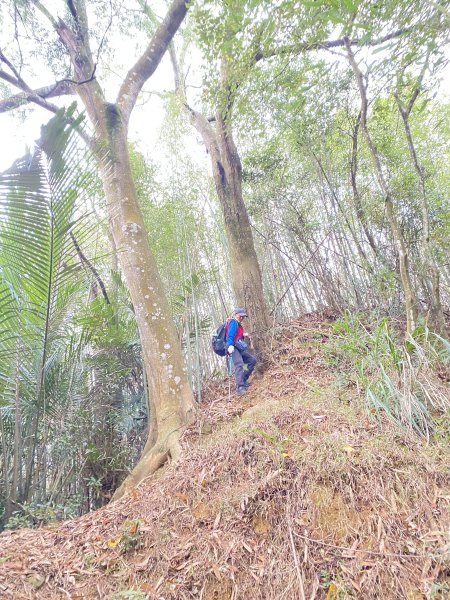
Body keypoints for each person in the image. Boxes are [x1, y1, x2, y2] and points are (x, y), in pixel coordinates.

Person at [225, 307, 257, 396]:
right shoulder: (233, 322)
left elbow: (237, 335)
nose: (242, 318)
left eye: (243, 316)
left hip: (238, 347)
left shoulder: (238, 324)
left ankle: (243, 380)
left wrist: (244, 334)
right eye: (240, 316)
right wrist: (230, 345)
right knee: (239, 364)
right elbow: (230, 336)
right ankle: (240, 387)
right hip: (232, 347)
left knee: (252, 360)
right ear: (236, 315)